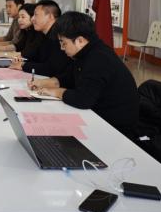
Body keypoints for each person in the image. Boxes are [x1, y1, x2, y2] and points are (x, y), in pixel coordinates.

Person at [29, 11, 139, 139]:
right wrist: (44, 83)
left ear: (80, 40)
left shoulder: (99, 58)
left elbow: (83, 99)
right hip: (98, 114)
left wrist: (56, 92)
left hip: (115, 128)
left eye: (64, 43)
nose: (62, 48)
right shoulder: (87, 52)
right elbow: (70, 77)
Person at [12, 0, 70, 77]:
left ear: (50, 16)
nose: (32, 19)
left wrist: (23, 65)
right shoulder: (44, 34)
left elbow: (52, 68)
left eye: (36, 15)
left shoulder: (59, 36)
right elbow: (39, 59)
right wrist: (22, 61)